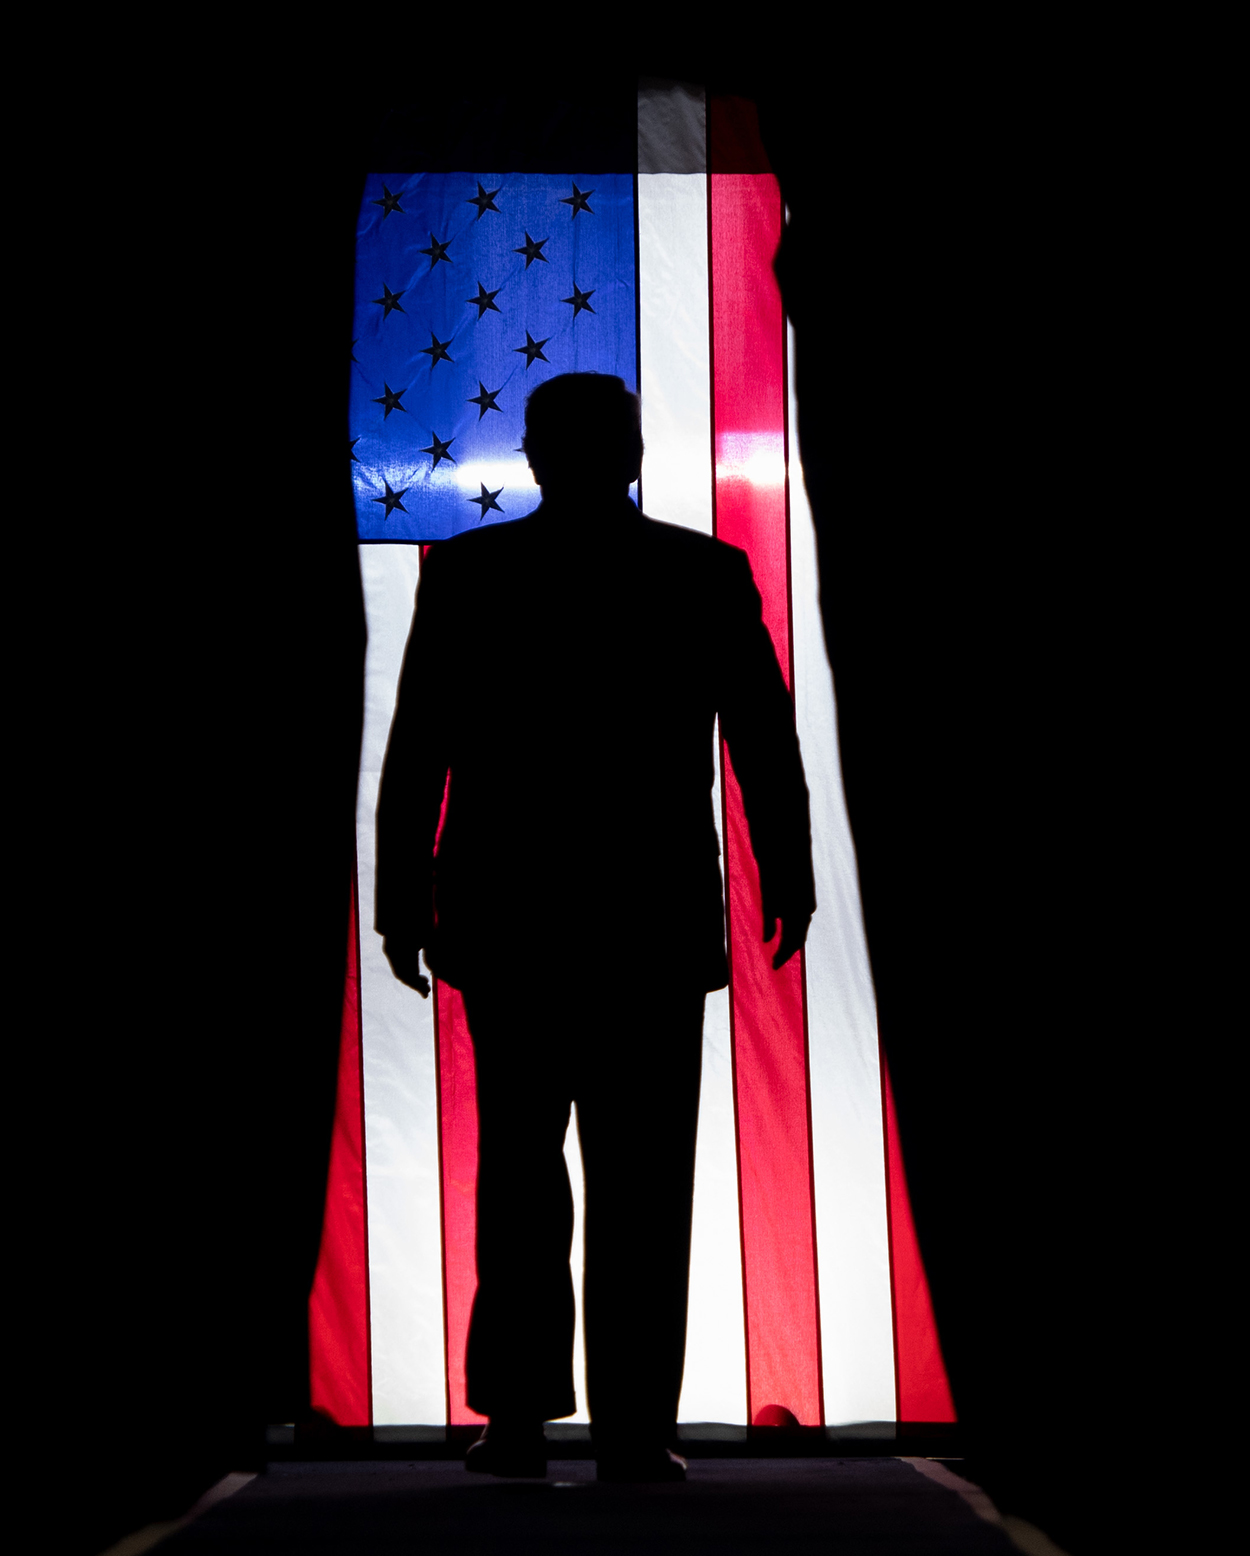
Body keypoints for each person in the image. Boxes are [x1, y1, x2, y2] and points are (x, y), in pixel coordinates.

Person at [375, 372, 813, 1484]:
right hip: (648, 923)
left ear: (531, 456)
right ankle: (628, 1427)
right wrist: (789, 870)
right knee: (642, 1184)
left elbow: (418, 744)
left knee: (520, 1177)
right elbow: (763, 739)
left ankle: (519, 1420)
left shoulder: (473, 576)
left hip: (513, 919)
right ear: (635, 454)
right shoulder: (702, 575)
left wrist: (399, 898)